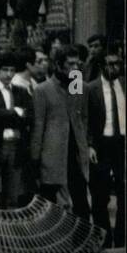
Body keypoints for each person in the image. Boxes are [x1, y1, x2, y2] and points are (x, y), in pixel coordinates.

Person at [30, 45, 91, 217]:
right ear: (58, 65)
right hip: (52, 156)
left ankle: (81, 243)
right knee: (49, 205)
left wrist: (85, 143)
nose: (75, 68)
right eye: (70, 64)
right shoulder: (43, 90)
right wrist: (35, 158)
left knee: (81, 203)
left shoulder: (78, 85)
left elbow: (82, 116)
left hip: (76, 154)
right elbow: (38, 126)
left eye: (77, 64)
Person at [0, 50, 33, 208]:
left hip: (15, 146)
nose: (9, 74)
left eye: (12, 70)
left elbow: (29, 115)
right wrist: (16, 112)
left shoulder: (21, 91)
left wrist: (3, 115)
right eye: (5, 70)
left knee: (12, 195)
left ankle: (6, 230)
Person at [87, 49, 124, 245]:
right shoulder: (90, 88)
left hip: (122, 144)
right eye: (110, 64)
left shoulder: (124, 85)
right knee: (100, 195)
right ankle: (103, 241)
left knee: (123, 192)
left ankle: (121, 242)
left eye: (117, 63)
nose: (114, 67)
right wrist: (89, 145)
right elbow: (84, 119)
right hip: (101, 144)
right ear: (101, 66)